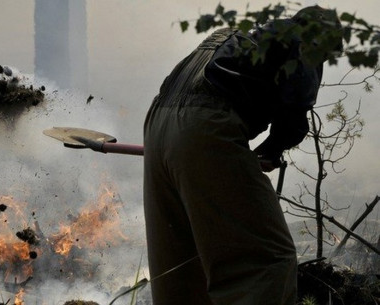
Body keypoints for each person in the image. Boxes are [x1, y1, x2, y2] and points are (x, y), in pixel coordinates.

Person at [143, 6, 342, 305]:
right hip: (203, 131)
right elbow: (294, 115)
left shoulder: (229, 36)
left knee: (181, 263)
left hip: (157, 128)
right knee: (265, 261)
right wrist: (272, 149)